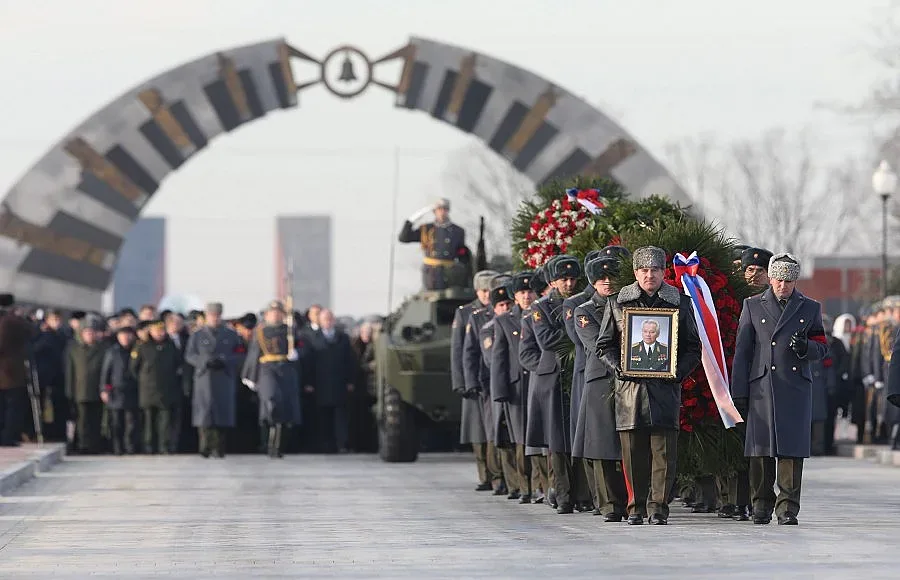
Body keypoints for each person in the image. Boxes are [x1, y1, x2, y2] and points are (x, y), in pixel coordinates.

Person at [596, 246, 702, 525]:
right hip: (630, 393)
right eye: (643, 270)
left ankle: (658, 509)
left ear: (664, 272)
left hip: (665, 392)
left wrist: (676, 372)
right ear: (635, 272)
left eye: (655, 269)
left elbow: (694, 347)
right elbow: (603, 345)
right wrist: (618, 367)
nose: (649, 275)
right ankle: (635, 508)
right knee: (632, 456)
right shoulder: (617, 302)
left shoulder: (680, 302)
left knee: (664, 456)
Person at [731, 253, 828, 526]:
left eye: (789, 280)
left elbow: (821, 345)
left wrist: (806, 348)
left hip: (794, 385)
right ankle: (761, 504)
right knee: (760, 449)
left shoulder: (809, 308)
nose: (783, 285)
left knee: (791, 450)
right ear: (770, 277)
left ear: (795, 280)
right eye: (779, 279)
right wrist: (738, 390)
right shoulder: (752, 306)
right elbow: (743, 351)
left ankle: (787, 508)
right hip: (761, 385)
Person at [573, 250, 630, 522]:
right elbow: (597, 344)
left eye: (612, 277)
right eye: (601, 278)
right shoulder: (584, 311)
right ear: (593, 282)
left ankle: (632, 501)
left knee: (630, 444)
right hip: (601, 381)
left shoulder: (630, 304)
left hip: (631, 380)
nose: (607, 282)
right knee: (601, 444)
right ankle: (608, 503)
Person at [529, 255, 582, 514]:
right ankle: (563, 495)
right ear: (552, 281)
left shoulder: (581, 302)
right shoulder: (541, 307)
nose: (569, 284)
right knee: (558, 442)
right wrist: (574, 332)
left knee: (579, 437)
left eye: (573, 279)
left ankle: (583, 493)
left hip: (576, 373)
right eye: (564, 279)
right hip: (554, 376)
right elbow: (546, 340)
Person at [451, 270, 498, 491]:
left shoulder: (499, 307)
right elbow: (459, 349)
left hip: (491, 376)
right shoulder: (465, 312)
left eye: (490, 290)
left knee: (492, 428)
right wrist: (461, 381)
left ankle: (497, 473)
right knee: (476, 429)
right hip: (473, 378)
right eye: (483, 291)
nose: (487, 295)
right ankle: (484, 475)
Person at [491, 271, 536, 503]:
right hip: (516, 387)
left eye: (530, 291)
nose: (527, 296)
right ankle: (523, 485)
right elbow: (499, 359)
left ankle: (539, 485)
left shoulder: (541, 313)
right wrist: (500, 391)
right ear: (515, 296)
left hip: (536, 383)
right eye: (522, 292)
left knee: (536, 437)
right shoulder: (504, 320)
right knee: (519, 438)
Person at [241, 300, 302, 458]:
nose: (276, 315)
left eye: (279, 312)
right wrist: (250, 375)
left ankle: (278, 445)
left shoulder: (290, 331)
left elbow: (304, 348)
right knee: (271, 400)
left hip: (286, 369)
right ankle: (267, 442)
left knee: (285, 408)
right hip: (267, 369)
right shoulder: (260, 331)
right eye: (273, 312)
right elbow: (254, 354)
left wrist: (297, 353)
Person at [185, 302, 242, 458]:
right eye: (211, 315)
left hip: (223, 377)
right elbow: (190, 355)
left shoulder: (231, 335)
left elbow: (239, 353)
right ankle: (205, 447)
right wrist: (204, 362)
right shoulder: (197, 335)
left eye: (217, 315)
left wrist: (225, 360)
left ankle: (219, 447)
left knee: (222, 414)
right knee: (204, 414)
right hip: (204, 378)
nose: (214, 318)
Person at [306, 308, 356, 454]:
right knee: (323, 417)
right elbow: (309, 363)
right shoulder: (313, 338)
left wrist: (350, 381)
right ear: (320, 321)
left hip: (338, 383)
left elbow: (350, 361)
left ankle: (341, 443)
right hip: (320, 384)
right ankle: (325, 444)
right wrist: (308, 382)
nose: (327, 322)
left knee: (340, 417)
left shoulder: (343, 338)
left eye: (329, 319)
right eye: (324, 319)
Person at [130, 319, 182, 454]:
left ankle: (164, 446)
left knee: (165, 422)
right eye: (156, 331)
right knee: (148, 421)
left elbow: (178, 364)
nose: (160, 334)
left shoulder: (170, 346)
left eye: (162, 331)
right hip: (148, 390)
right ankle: (148, 446)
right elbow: (133, 368)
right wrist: (144, 380)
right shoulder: (142, 346)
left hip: (166, 390)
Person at [398, 197, 467, 290]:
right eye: (439, 209)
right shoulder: (426, 229)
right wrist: (414, 218)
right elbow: (404, 238)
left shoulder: (458, 231)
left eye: (445, 209)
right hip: (430, 273)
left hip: (449, 272)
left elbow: (462, 254)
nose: (442, 212)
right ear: (434, 211)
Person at [65, 316, 107, 454]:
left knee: (96, 420)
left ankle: (95, 445)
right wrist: (70, 392)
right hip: (80, 391)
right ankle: (83, 445)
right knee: (82, 421)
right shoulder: (74, 349)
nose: (90, 335)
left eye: (92, 332)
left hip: (97, 390)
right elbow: (70, 372)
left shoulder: (103, 349)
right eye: (87, 332)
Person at [0, 294, 36, 446]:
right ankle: (8, 437)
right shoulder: (12, 321)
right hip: (11, 372)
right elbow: (33, 332)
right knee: (13, 407)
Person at [100, 326, 140, 455]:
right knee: (116, 423)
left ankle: (130, 447)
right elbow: (106, 372)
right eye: (123, 335)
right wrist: (104, 389)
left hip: (132, 390)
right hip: (116, 391)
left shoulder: (136, 350)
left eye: (128, 335)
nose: (126, 338)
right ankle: (117, 448)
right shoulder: (112, 351)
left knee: (131, 423)